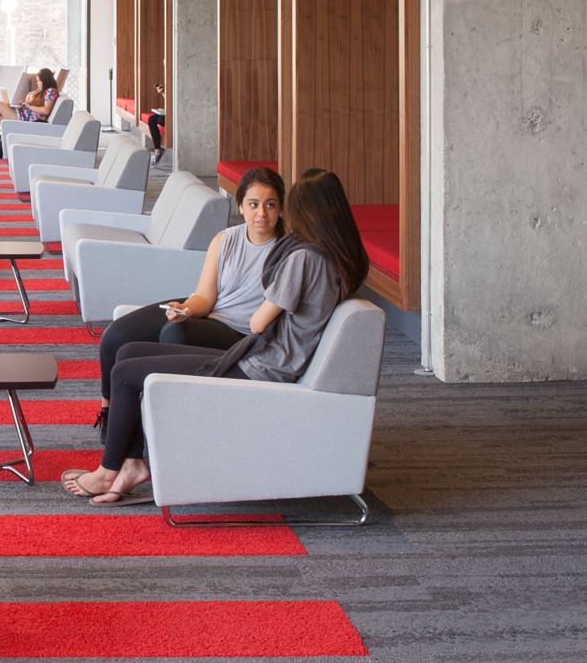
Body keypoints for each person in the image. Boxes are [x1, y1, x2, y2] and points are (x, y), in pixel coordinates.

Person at [65, 168, 367, 507]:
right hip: (266, 358)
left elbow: (257, 322)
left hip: (263, 364)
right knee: (129, 351)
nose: (269, 214)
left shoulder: (303, 258)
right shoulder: (337, 261)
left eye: (278, 205)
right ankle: (132, 463)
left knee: (125, 372)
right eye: (253, 204)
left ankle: (109, 471)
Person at [91, 166, 286, 399]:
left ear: (280, 208)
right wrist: (185, 309)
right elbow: (205, 296)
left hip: (241, 333)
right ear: (241, 206)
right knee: (116, 336)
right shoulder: (225, 239)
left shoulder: (288, 252)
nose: (262, 213)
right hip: (211, 313)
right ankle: (108, 406)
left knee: (174, 334)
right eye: (254, 204)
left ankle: (161, 403)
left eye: (270, 205)